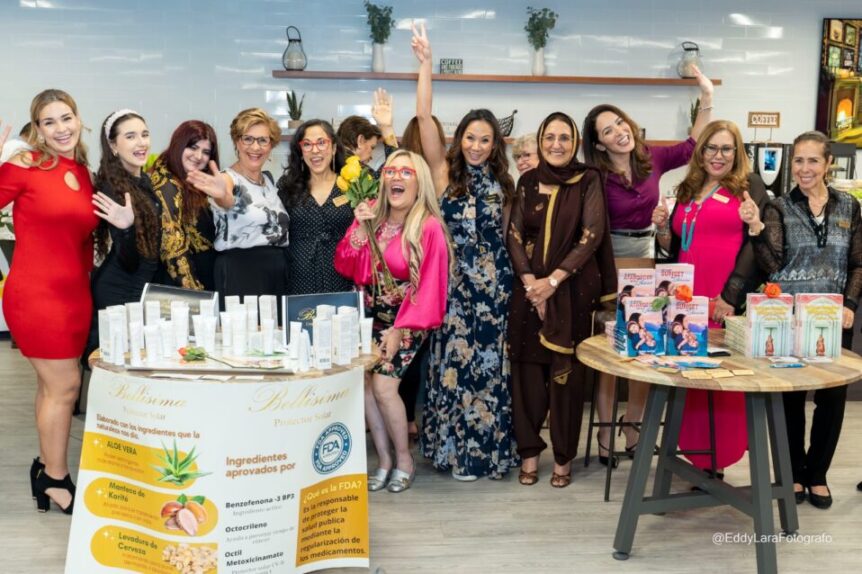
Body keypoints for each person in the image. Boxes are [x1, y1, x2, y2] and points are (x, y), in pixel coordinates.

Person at [582, 67, 715, 464]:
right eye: (608, 131)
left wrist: (707, 96)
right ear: (599, 143)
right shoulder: (593, 175)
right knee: (611, 351)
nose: (618, 132)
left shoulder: (651, 157)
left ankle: (633, 426)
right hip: (609, 262)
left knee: (645, 347)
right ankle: (606, 432)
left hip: (646, 260)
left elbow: (693, 145)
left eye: (620, 123)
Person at [411, 22, 518, 480]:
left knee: (489, 370)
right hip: (453, 287)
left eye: (485, 139)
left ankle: (486, 455)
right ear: (460, 139)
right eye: (470, 137)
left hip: (495, 291)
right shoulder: (442, 171)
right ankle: (453, 454)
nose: (476, 146)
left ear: (495, 145)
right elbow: (423, 118)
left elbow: (510, 237)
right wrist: (426, 65)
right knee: (453, 365)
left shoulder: (504, 183)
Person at [746, 130, 862, 509]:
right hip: (791, 319)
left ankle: (818, 475)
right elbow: (772, 265)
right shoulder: (778, 207)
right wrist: (757, 231)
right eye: (798, 160)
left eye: (813, 160)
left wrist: (850, 304)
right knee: (791, 400)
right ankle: (793, 473)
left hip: (833, 318)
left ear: (828, 164)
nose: (804, 168)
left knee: (832, 398)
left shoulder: (849, 207)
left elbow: (858, 262)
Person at [0, 90, 99, 513]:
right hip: (37, 295)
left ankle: (45, 466)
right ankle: (56, 479)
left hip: (74, 295)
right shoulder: (24, 166)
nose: (61, 128)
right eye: (49, 122)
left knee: (52, 387)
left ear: (78, 119)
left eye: (66, 118)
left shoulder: (82, 170)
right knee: (66, 387)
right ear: (37, 130)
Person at [652, 120, 768, 478]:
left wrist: (731, 295)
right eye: (711, 148)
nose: (718, 156)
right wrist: (662, 227)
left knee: (721, 383)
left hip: (721, 298)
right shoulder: (688, 188)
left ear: (737, 152)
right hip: (686, 301)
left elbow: (755, 247)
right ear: (700, 152)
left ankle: (719, 460)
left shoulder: (749, 186)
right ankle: (696, 458)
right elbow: (676, 246)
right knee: (690, 381)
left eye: (726, 148)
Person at [507, 112, 615, 487]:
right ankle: (529, 453)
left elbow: (592, 234)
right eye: (549, 137)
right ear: (540, 141)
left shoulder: (588, 179)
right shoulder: (527, 181)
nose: (556, 144)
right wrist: (531, 285)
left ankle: (563, 457)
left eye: (564, 138)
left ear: (575, 143)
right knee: (526, 376)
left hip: (572, 291)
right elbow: (514, 235)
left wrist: (552, 282)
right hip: (527, 292)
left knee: (566, 379)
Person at [334, 150, 450, 493]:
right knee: (367, 386)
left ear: (420, 182)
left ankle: (404, 460)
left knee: (385, 387)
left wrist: (400, 330)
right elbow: (345, 265)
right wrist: (360, 228)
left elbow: (430, 286)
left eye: (406, 172)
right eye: (390, 171)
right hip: (369, 315)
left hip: (406, 317)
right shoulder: (372, 215)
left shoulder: (428, 226)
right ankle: (383, 460)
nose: (396, 177)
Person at [187, 108, 289, 302]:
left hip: (275, 274)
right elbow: (226, 200)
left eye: (263, 140)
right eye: (248, 139)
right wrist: (223, 196)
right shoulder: (227, 179)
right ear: (237, 142)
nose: (255, 147)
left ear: (271, 145)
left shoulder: (269, 180)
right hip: (241, 273)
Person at [86, 110, 159, 359]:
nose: (141, 142)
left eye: (144, 134)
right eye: (130, 136)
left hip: (140, 287)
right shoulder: (111, 186)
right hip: (120, 290)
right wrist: (126, 229)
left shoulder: (142, 180)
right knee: (115, 364)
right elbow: (127, 259)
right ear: (113, 146)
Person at [276, 119, 352, 295]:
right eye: (307, 144)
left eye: (321, 142)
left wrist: (387, 131)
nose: (315, 150)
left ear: (334, 148)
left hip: (343, 276)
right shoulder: (287, 186)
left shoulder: (350, 184)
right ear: (300, 151)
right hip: (299, 277)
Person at [148, 120, 220, 291]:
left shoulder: (196, 181)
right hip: (183, 286)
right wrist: (196, 293)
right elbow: (172, 248)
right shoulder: (166, 184)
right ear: (178, 145)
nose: (198, 156)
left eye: (206, 152)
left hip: (203, 278)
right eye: (193, 147)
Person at [335, 88, 397, 174]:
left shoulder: (332, 161)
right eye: (372, 147)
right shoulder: (353, 169)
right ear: (360, 141)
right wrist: (387, 128)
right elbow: (393, 170)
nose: (371, 157)